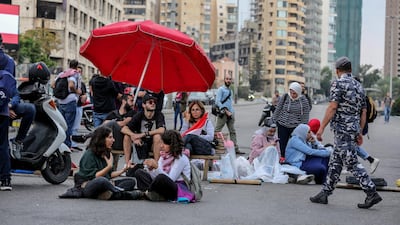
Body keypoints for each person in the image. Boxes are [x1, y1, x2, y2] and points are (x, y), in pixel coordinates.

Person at [310, 56, 382, 209]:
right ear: (350, 69)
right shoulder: (359, 86)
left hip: (342, 130)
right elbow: (363, 112)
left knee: (351, 163)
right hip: (353, 129)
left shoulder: (338, 83)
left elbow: (333, 107)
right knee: (335, 162)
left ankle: (371, 192)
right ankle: (325, 193)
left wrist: (321, 127)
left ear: (337, 70)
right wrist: (360, 132)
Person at [59, 126, 142, 200]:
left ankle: (109, 193)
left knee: (131, 182)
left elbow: (109, 175)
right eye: (110, 137)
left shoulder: (106, 152)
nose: (113, 140)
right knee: (101, 181)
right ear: (102, 139)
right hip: (88, 186)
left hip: (106, 184)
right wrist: (109, 166)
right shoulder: (89, 154)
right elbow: (95, 176)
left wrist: (124, 170)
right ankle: (119, 192)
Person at [131, 130, 195, 202]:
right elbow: (157, 176)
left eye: (165, 143)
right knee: (139, 172)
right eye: (162, 142)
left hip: (177, 187)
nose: (161, 146)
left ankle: (148, 193)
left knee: (161, 178)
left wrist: (156, 167)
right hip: (163, 184)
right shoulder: (164, 155)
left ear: (172, 145)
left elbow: (170, 179)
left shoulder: (181, 158)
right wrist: (151, 169)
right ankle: (151, 193)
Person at [308, 118, 380, 174]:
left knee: (346, 146)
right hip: (350, 125)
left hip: (346, 126)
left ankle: (358, 166)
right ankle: (369, 160)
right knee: (348, 146)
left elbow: (332, 109)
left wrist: (322, 127)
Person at [121, 93, 166, 164]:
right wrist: (133, 135)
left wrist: (143, 134)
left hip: (153, 143)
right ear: (143, 105)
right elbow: (124, 129)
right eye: (150, 102)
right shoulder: (139, 115)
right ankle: (127, 165)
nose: (153, 104)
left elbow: (162, 130)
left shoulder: (159, 115)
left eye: (154, 102)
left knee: (157, 136)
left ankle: (157, 166)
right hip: (140, 143)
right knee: (127, 137)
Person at [273, 82, 311, 159]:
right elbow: (278, 108)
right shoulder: (285, 97)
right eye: (291, 93)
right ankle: (282, 157)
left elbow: (305, 114)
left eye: (295, 93)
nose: (293, 95)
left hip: (295, 126)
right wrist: (273, 120)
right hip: (282, 124)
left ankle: (293, 158)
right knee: (282, 143)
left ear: (299, 92)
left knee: (294, 143)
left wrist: (304, 128)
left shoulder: (304, 100)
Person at [0, 36, 17, 190]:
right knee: (3, 144)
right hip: (3, 109)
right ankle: (5, 179)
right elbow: (12, 86)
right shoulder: (9, 61)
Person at [53, 60, 82, 149]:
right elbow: (71, 85)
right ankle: (67, 145)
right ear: (77, 66)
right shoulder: (74, 74)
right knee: (69, 125)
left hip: (60, 102)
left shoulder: (62, 73)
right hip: (70, 102)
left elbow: (52, 84)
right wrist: (77, 91)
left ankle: (59, 144)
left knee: (61, 125)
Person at [214, 74, 244, 154]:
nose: (228, 80)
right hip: (223, 114)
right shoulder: (221, 89)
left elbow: (230, 102)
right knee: (217, 130)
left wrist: (232, 112)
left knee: (232, 131)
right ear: (224, 80)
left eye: (230, 79)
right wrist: (226, 111)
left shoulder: (230, 90)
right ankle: (214, 147)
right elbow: (217, 102)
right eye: (227, 79)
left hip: (231, 114)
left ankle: (235, 149)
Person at [70, 66, 87, 152]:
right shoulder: (72, 82)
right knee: (71, 126)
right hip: (72, 106)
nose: (78, 73)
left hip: (79, 106)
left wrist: (84, 96)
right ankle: (70, 144)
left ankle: (74, 143)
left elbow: (84, 94)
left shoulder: (82, 84)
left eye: (80, 72)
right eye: (77, 71)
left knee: (76, 126)